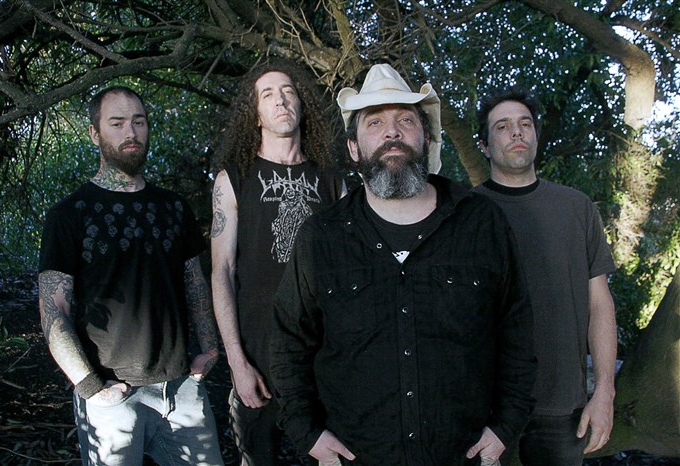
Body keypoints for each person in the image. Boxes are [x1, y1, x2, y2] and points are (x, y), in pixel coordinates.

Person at [269, 63, 537, 466]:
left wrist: (505, 426)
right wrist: (307, 433)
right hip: (354, 458)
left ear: (426, 138)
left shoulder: (482, 222)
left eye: (405, 120)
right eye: (375, 122)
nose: (391, 132)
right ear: (353, 148)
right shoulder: (321, 237)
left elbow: (517, 332)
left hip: (463, 456)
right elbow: (289, 342)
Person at [37, 86, 224, 466]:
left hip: (182, 389)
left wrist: (209, 349)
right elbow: (53, 310)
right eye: (117, 123)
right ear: (95, 133)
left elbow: (194, 283)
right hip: (111, 394)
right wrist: (91, 387)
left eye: (138, 122)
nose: (131, 132)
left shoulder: (173, 207)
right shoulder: (69, 214)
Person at [210, 60, 347, 465]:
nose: (281, 100)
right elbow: (222, 272)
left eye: (288, 91)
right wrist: (237, 363)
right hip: (258, 357)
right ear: (255, 114)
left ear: (302, 105)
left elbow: (349, 273)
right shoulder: (233, 179)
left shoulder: (332, 180)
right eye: (267, 94)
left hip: (322, 360)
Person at [473, 88, 617, 466]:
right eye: (502, 126)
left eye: (525, 124)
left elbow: (600, 305)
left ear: (536, 136)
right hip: (486, 410)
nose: (516, 132)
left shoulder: (576, 208)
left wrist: (604, 392)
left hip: (562, 408)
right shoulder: (465, 213)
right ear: (485, 145)